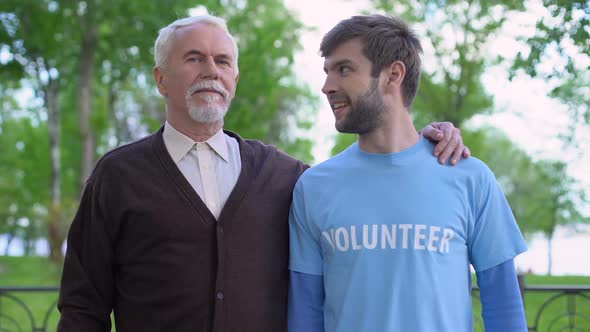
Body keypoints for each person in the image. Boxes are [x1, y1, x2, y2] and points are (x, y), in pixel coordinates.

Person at [57, 14, 469, 331]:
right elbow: (82, 303)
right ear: (161, 79)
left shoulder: (286, 175)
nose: (210, 71)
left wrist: (425, 141)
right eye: (194, 58)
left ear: (234, 79)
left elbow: (367, 181)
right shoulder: (118, 176)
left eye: (222, 61)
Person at [288, 15, 528, 332]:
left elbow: (504, 306)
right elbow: (305, 313)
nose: (327, 87)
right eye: (327, 72)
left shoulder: (469, 177)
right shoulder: (313, 187)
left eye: (344, 69)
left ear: (393, 74)